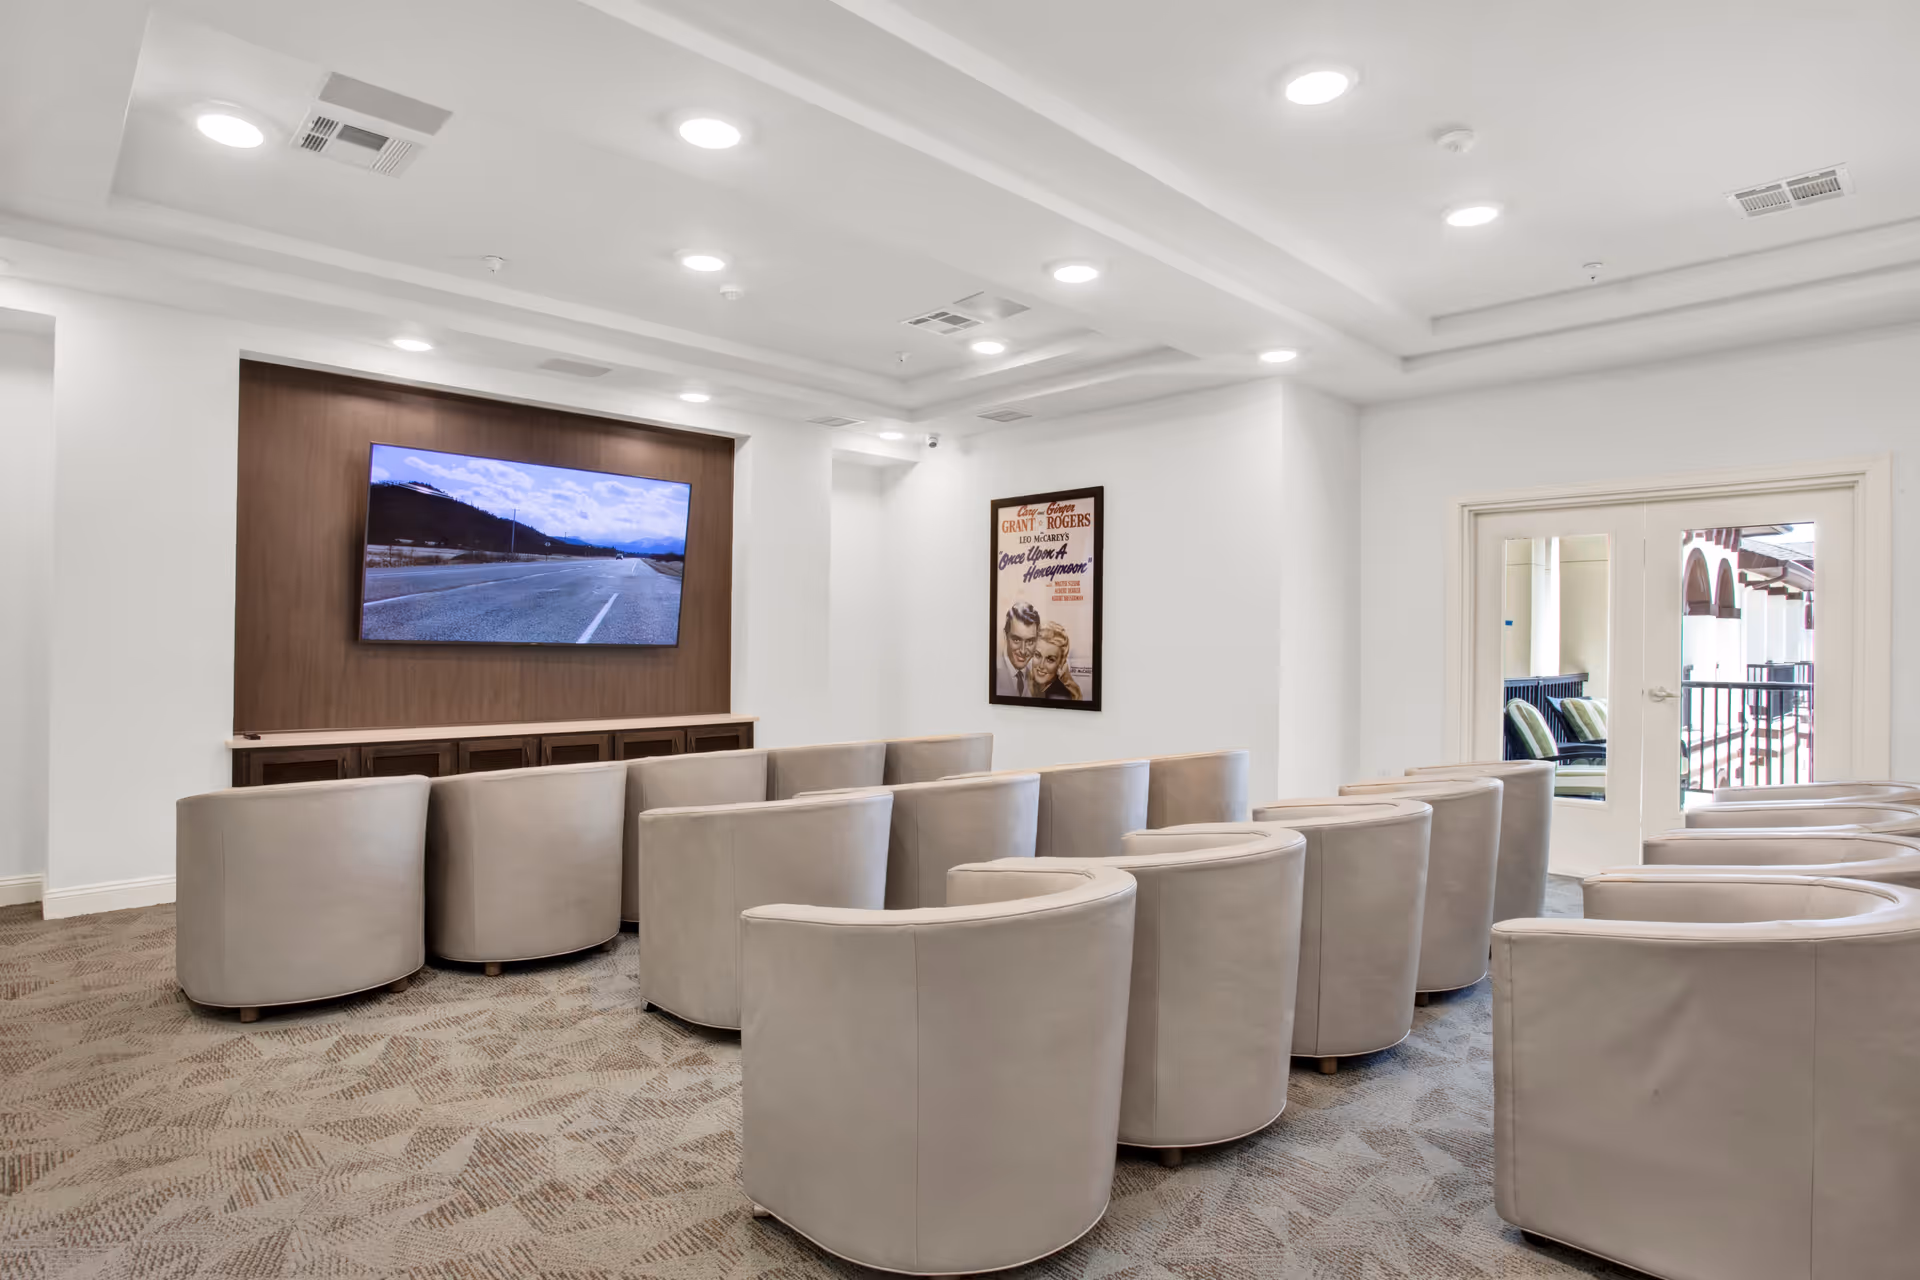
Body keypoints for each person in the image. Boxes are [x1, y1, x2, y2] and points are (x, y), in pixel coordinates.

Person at [1026, 622, 1084, 700]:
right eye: (1037, 655)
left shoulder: (1060, 696)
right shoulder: (1026, 683)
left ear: (1060, 663)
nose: (1041, 665)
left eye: (1050, 660)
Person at [995, 602, 1041, 696]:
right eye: (1016, 640)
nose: (1023, 651)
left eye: (1030, 641)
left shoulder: (1039, 679)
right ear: (1005, 636)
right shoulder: (992, 673)